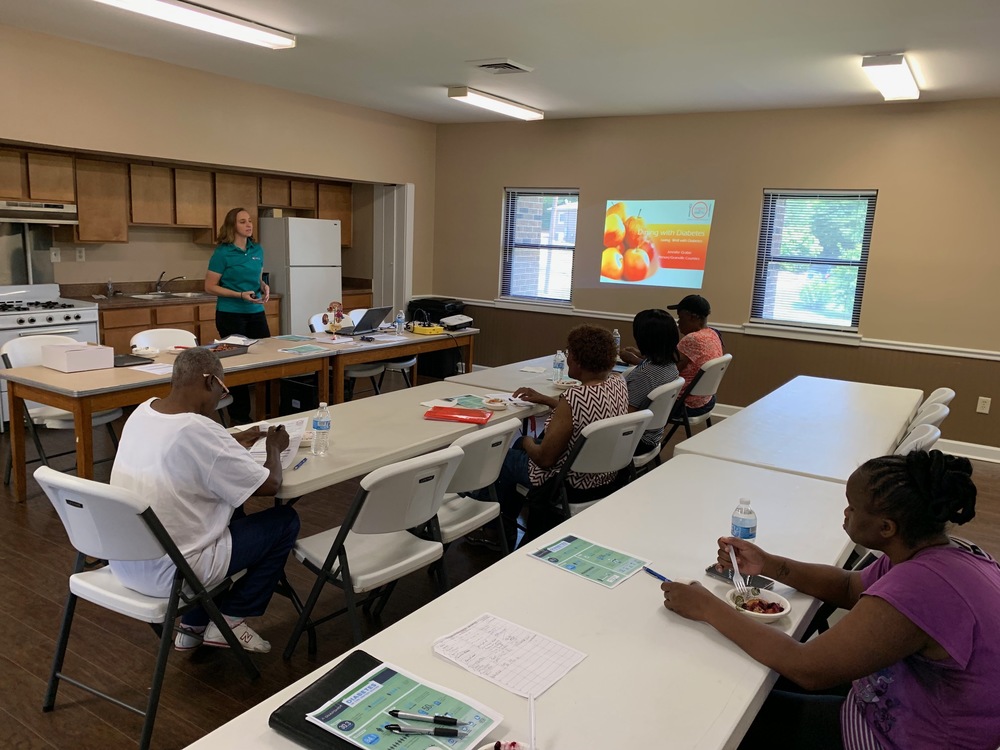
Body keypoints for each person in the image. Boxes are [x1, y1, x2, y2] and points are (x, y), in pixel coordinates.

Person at [660, 450, 1000, 750]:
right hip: (900, 701)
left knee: (722, 719)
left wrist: (706, 607)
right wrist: (768, 563)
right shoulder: (930, 552)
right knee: (746, 685)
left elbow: (808, 669)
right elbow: (850, 587)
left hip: (910, 737)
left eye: (853, 506)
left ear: (886, 527)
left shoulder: (920, 587)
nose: (846, 511)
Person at [108, 347, 299, 654]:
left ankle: (193, 624)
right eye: (222, 391)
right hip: (173, 574)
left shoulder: (143, 412)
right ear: (210, 382)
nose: (220, 399)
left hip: (126, 560)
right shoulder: (198, 428)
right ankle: (231, 620)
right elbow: (270, 484)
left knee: (231, 506)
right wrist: (275, 446)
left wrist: (234, 439)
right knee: (285, 521)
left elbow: (187, 449)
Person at [467, 325, 630, 550]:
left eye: (569, 353)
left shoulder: (574, 396)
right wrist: (547, 400)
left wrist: (524, 441)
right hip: (603, 477)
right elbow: (586, 412)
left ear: (579, 360)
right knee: (516, 453)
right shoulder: (617, 382)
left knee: (503, 457)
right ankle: (499, 520)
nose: (567, 358)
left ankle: (496, 530)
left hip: (564, 481)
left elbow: (544, 459)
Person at [204, 207, 270, 424]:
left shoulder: (256, 249)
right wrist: (239, 295)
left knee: (267, 357)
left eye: (249, 221)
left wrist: (263, 285)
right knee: (239, 366)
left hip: (256, 312)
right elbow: (210, 286)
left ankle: (267, 409)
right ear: (232, 226)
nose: (249, 225)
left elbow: (256, 277)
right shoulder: (222, 253)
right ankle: (240, 417)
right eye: (243, 221)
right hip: (231, 314)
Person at [619, 309, 680, 454]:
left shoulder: (645, 375)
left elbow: (625, 417)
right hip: (653, 435)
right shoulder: (671, 367)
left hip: (634, 440)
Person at [667, 294, 723, 416]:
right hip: (706, 400)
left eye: (680, 317)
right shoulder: (713, 334)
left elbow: (668, 370)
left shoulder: (692, 339)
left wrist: (636, 361)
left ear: (692, 317)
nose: (678, 322)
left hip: (686, 404)